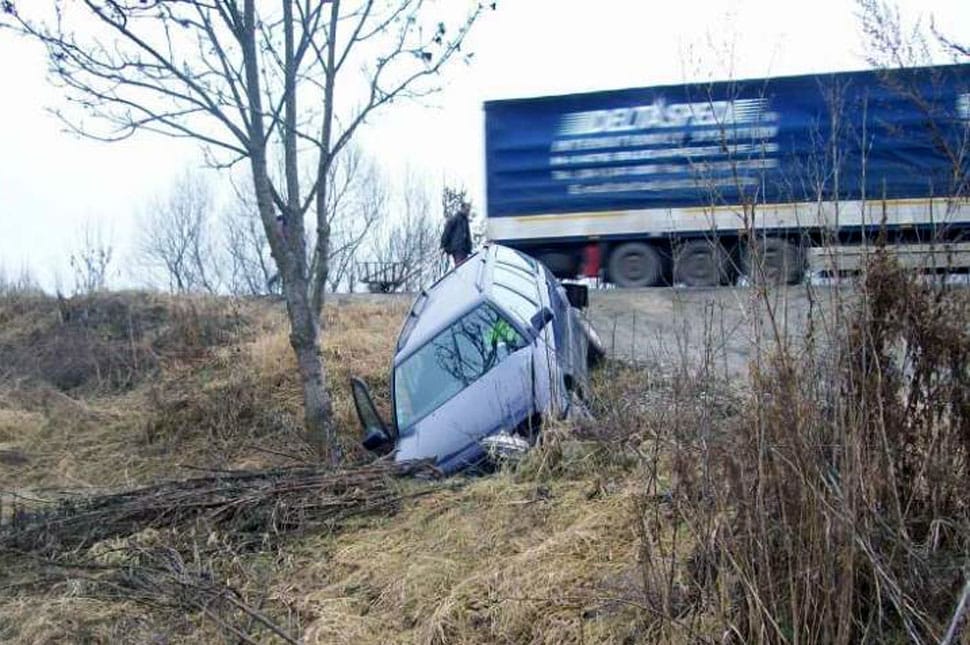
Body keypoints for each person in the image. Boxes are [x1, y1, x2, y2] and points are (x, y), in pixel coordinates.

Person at [440, 200, 472, 266]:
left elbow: (468, 235)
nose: (467, 212)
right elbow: (447, 231)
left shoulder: (465, 221)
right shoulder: (455, 218)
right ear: (462, 208)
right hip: (457, 247)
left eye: (468, 210)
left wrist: (469, 247)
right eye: (466, 210)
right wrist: (443, 244)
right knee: (460, 265)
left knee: (465, 265)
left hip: (464, 248)